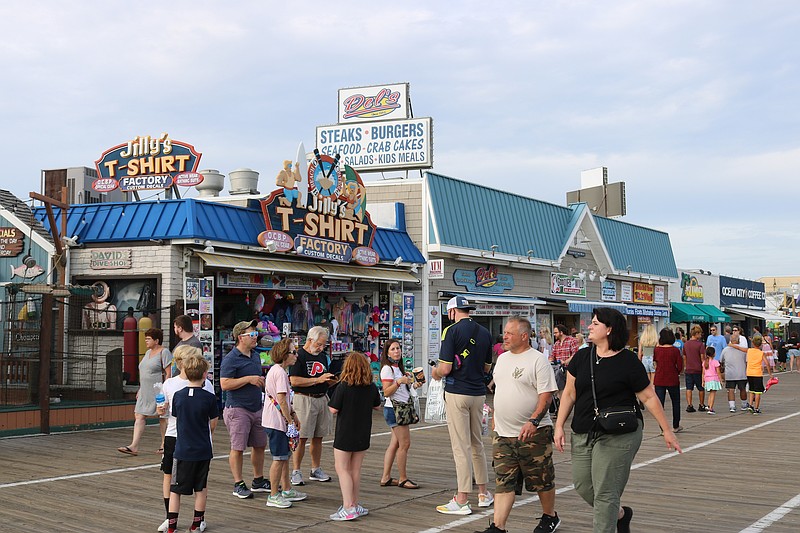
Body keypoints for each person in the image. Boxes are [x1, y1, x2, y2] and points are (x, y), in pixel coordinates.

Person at [554, 307, 681, 533]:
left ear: (609, 329)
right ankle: (620, 514)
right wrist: (559, 426)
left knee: (605, 492)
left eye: (595, 323)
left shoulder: (628, 361)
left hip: (619, 433)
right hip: (583, 430)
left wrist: (667, 430)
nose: (589, 327)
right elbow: (569, 393)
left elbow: (649, 397)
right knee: (583, 485)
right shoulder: (582, 357)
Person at [476, 316, 560, 533]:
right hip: (503, 433)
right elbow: (502, 390)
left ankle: (550, 516)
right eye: (505, 332)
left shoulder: (538, 360)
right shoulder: (502, 359)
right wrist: (495, 414)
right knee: (504, 481)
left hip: (534, 433)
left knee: (541, 479)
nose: (504, 336)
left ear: (524, 336)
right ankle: (498, 526)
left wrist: (534, 420)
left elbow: (546, 395)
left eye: (509, 333)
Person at [431, 296, 494, 515]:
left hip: (457, 393)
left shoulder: (451, 331)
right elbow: (487, 368)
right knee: (477, 444)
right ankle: (484, 494)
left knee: (461, 447)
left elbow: (446, 368)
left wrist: (435, 372)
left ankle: (462, 499)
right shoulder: (484, 332)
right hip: (478, 394)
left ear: (451, 312)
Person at [157, 346, 215, 532]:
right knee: (195, 485)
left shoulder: (182, 396)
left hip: (184, 445)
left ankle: (175, 523)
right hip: (193, 443)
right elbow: (212, 422)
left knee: (177, 485)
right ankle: (191, 523)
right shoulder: (172, 385)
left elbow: (176, 414)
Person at [327, 352, 382, 521]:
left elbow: (333, 409)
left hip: (345, 432)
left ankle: (348, 506)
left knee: (342, 468)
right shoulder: (371, 387)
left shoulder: (343, 386)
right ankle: (355, 504)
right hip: (363, 431)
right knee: (355, 469)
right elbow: (378, 406)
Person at [220, 319, 270, 499]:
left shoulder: (255, 355)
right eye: (252, 334)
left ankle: (258, 479)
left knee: (260, 444)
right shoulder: (231, 359)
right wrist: (248, 379)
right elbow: (224, 384)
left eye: (256, 334)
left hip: (256, 406)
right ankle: (238, 483)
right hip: (238, 408)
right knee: (238, 447)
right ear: (240, 337)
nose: (256, 337)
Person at [289, 325, 337, 486]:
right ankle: (296, 470)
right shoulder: (299, 356)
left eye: (324, 345)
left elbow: (323, 378)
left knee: (319, 436)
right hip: (304, 399)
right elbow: (294, 380)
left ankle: (315, 468)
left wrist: (331, 381)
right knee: (302, 436)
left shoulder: (322, 356)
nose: (321, 348)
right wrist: (318, 380)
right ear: (310, 340)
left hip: (322, 397)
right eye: (319, 344)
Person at [261, 338, 306, 509]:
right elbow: (282, 399)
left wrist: (292, 416)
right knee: (279, 458)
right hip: (276, 421)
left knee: (284, 456)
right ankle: (273, 494)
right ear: (284, 354)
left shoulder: (278, 371)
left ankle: (286, 488)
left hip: (275, 419)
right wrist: (290, 420)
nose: (296, 355)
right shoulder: (279, 373)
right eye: (293, 352)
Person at [118, 327, 172, 456]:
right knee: (139, 415)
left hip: (158, 390)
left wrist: (165, 390)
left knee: (163, 417)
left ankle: (165, 445)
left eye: (148, 339)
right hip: (145, 390)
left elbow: (168, 372)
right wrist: (140, 389)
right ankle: (134, 446)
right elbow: (144, 372)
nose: (146, 341)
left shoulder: (164, 352)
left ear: (156, 340)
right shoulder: (147, 353)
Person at [379, 338, 422, 489]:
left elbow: (403, 390)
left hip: (400, 408)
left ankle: (386, 477)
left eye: (398, 348)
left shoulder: (399, 369)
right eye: (393, 349)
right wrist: (398, 382)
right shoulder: (387, 369)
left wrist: (413, 384)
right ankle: (403, 478)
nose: (397, 351)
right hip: (395, 410)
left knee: (395, 444)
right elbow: (386, 392)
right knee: (404, 444)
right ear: (387, 352)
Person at [652, 328, 683, 434]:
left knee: (660, 404)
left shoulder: (657, 350)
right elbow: (680, 366)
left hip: (659, 379)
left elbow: (655, 363)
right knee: (676, 402)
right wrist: (676, 371)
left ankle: (663, 428)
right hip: (673, 379)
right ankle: (675, 425)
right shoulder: (675, 351)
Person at [720, 330, 750, 412]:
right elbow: (747, 361)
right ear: (739, 340)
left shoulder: (725, 350)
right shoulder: (743, 350)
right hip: (741, 373)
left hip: (730, 373)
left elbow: (721, 360)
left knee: (731, 390)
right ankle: (744, 404)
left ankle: (732, 406)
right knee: (742, 389)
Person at [746, 336, 774, 414]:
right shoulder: (761, 353)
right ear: (761, 345)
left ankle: (750, 405)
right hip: (757, 374)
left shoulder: (749, 350)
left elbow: (740, 349)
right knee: (758, 392)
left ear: (752, 343)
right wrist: (770, 374)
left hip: (749, 373)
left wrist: (732, 345)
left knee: (751, 390)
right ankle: (756, 408)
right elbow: (767, 364)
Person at [683, 325, 707, 412]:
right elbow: (702, 358)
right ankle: (701, 404)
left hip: (689, 369)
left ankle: (689, 405)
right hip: (698, 369)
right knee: (701, 388)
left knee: (689, 388)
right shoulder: (700, 344)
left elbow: (684, 357)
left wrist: (686, 366)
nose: (701, 335)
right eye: (700, 334)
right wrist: (705, 367)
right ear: (696, 334)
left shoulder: (686, 344)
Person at [701, 347, 722, 415]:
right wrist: (721, 380)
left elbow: (703, 373)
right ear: (714, 354)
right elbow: (718, 372)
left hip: (707, 379)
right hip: (714, 379)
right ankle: (711, 408)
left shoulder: (705, 362)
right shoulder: (715, 362)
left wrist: (703, 381)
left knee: (710, 393)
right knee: (713, 393)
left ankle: (709, 405)